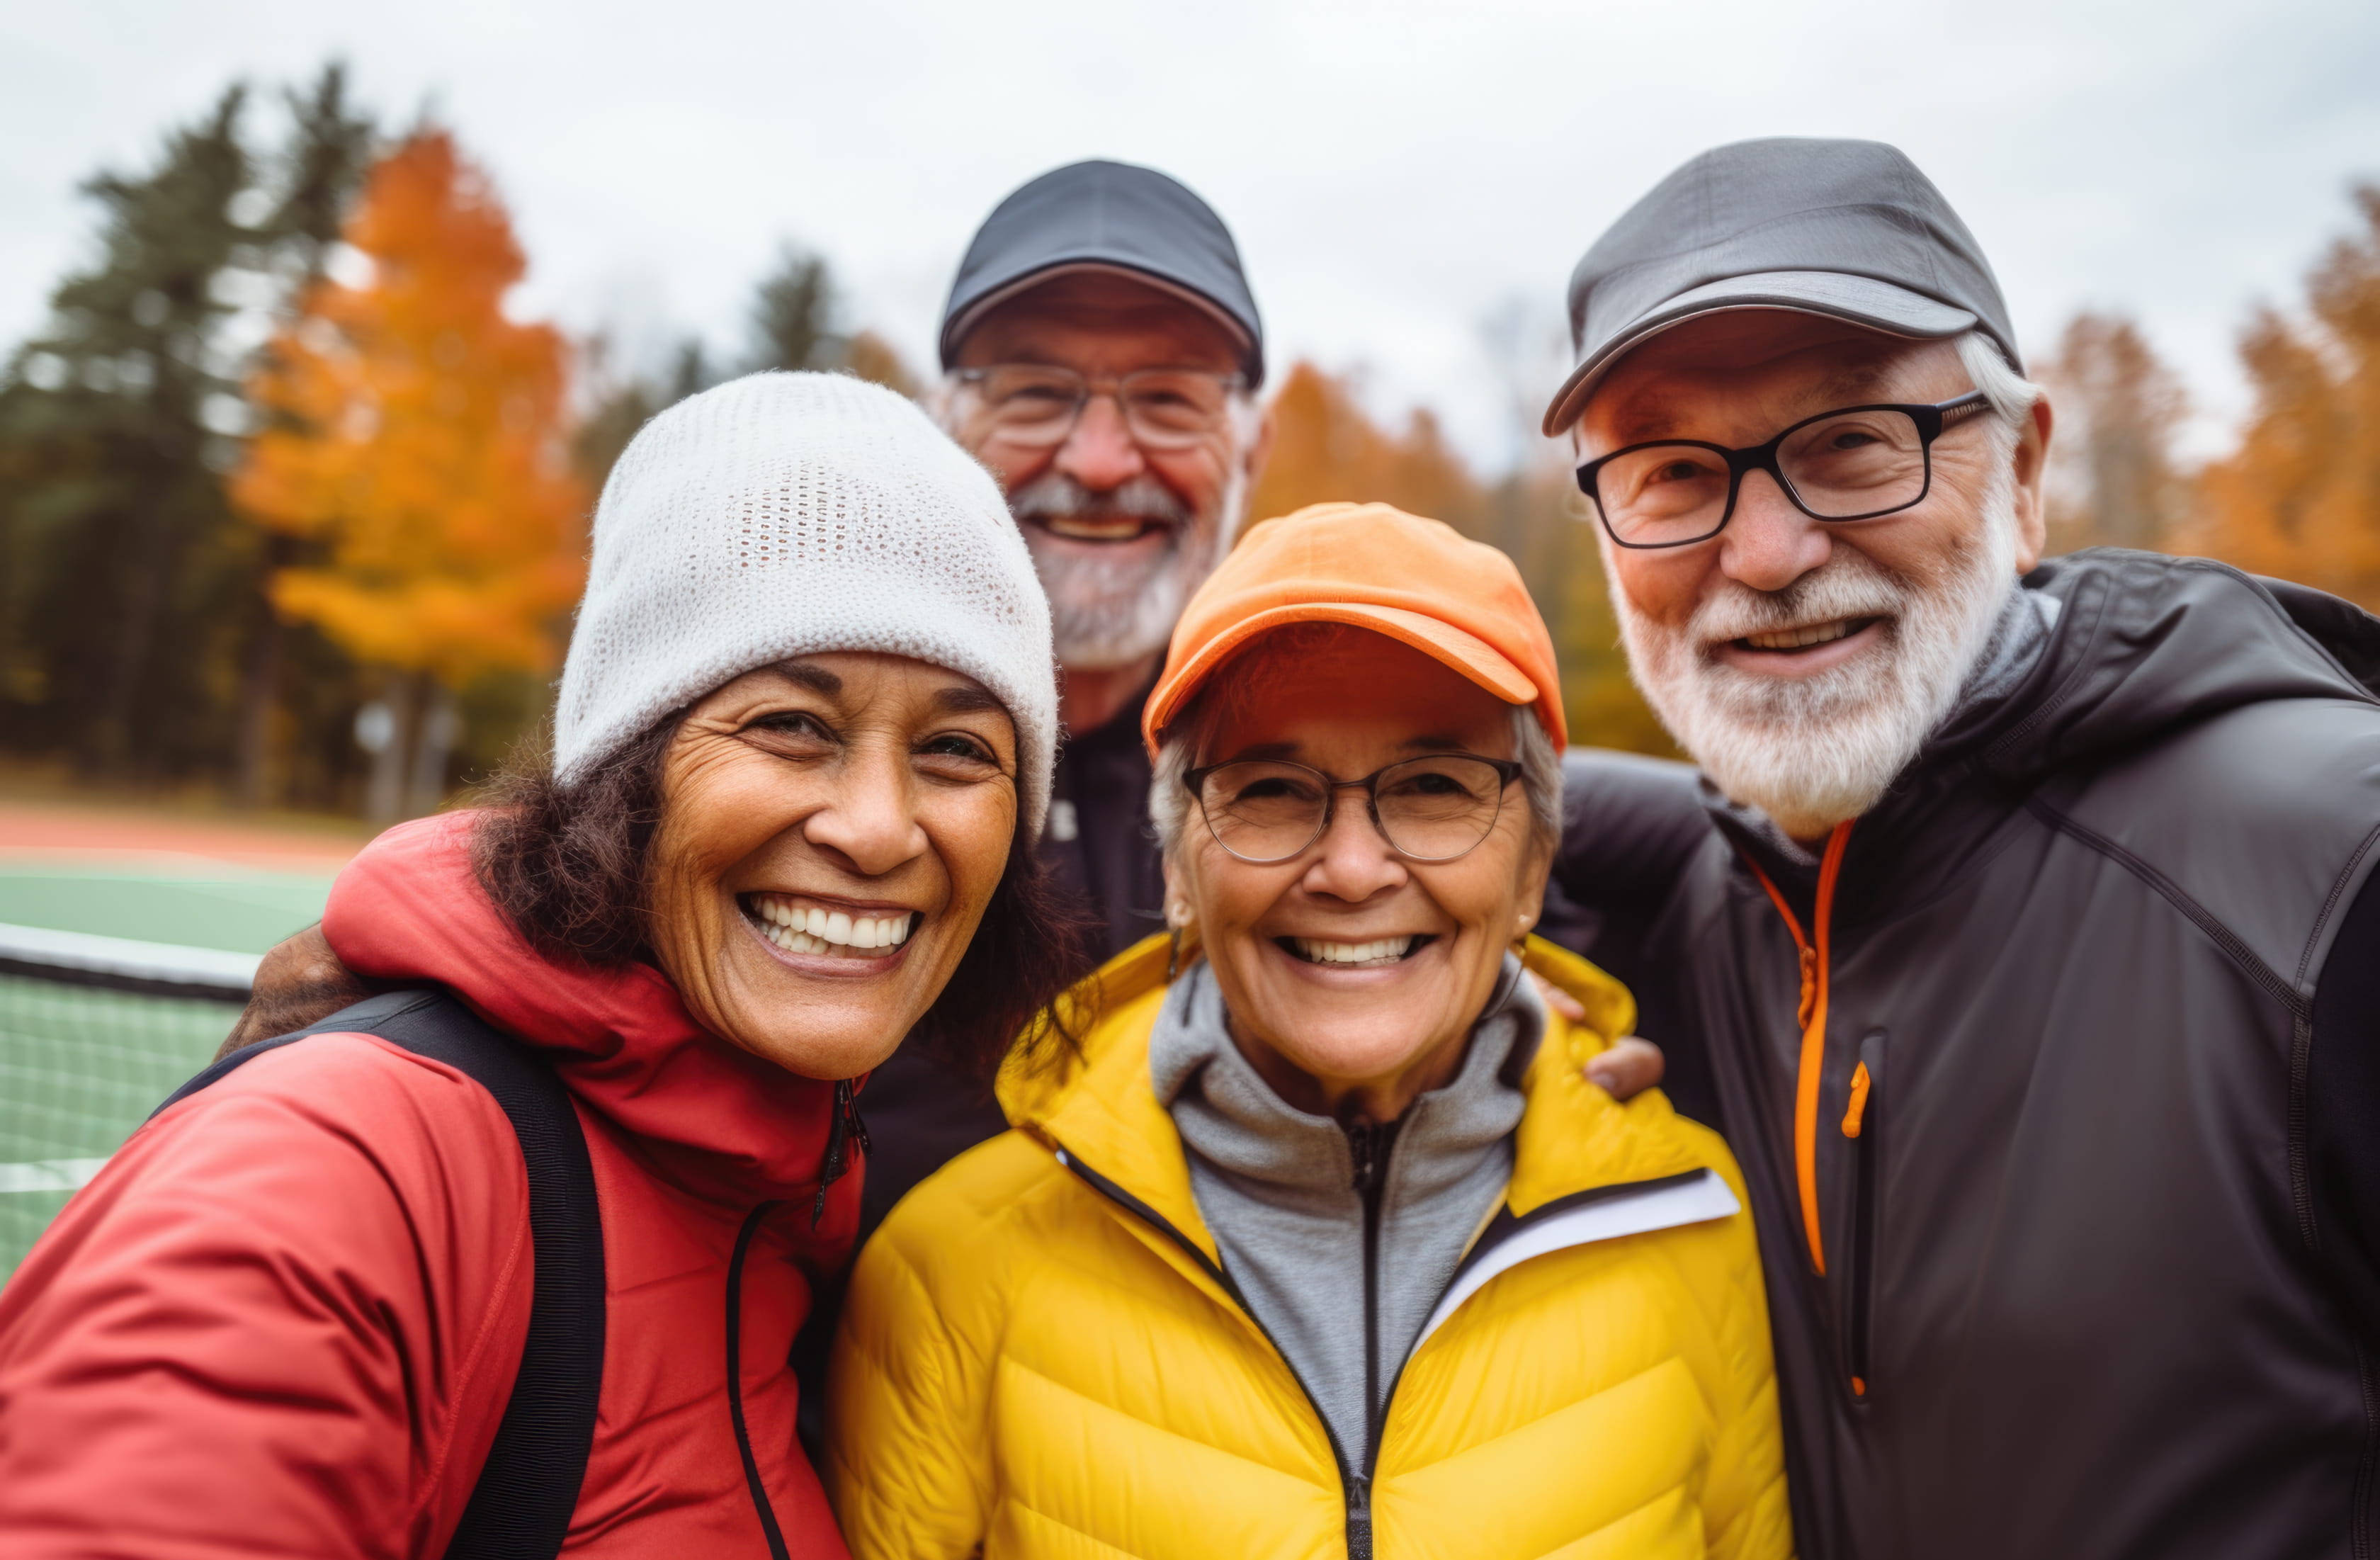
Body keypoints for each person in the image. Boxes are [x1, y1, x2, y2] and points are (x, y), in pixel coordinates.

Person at [220, 158, 1662, 1241]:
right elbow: (522, 923)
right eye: (1036, 392)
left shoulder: (1406, 817)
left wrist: (1482, 1039)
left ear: (1252, 441)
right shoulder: (756, 793)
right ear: (948, 416)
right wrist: (355, 1019)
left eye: (1166, 399)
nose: (1099, 459)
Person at [0, 373, 1086, 1560]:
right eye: (791, 725)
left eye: (956, 750)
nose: (881, 829)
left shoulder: (775, 1192)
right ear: (624, 772)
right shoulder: (342, 1174)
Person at [1541, 137, 2380, 1560]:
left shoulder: (2328, 872)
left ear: (2029, 468)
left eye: (1854, 442)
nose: (1767, 550)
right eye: (1675, 472)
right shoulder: (1713, 899)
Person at [826, 502, 1795, 1560]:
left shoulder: (1690, 1221)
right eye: (1271, 791)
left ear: (1532, 872)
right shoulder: (954, 1262)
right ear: (1177, 869)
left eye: (1434, 789)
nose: (1350, 870)